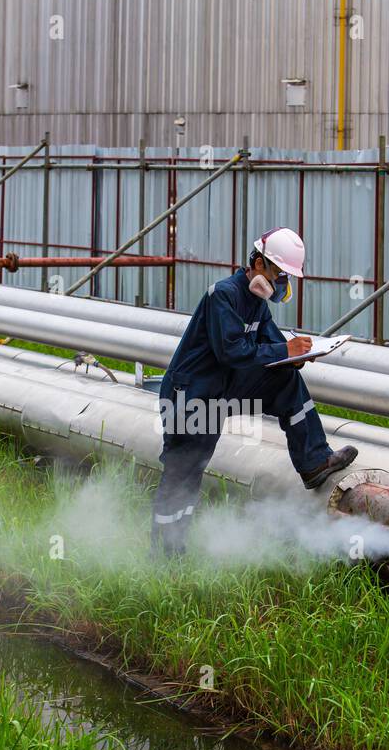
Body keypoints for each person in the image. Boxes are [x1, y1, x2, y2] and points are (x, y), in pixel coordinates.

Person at [150, 227, 358, 556]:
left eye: (287, 278)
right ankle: (165, 553)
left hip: (222, 389)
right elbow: (230, 351)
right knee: (185, 470)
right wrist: (283, 352)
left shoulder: (256, 303)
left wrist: (297, 356)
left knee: (286, 382)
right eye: (280, 275)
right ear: (258, 264)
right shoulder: (223, 295)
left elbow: (273, 344)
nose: (281, 285)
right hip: (190, 396)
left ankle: (314, 462)